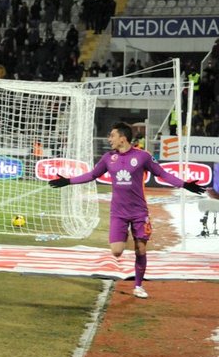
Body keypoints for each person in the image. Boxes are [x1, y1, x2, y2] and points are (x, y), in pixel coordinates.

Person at [48, 122, 205, 299]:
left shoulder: (143, 156)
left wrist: (184, 185)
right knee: (116, 251)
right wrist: (68, 181)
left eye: (112, 136)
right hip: (118, 213)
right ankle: (127, 235)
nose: (109, 139)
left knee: (141, 249)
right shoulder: (108, 158)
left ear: (122, 138)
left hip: (139, 212)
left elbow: (162, 173)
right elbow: (92, 175)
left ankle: (138, 286)